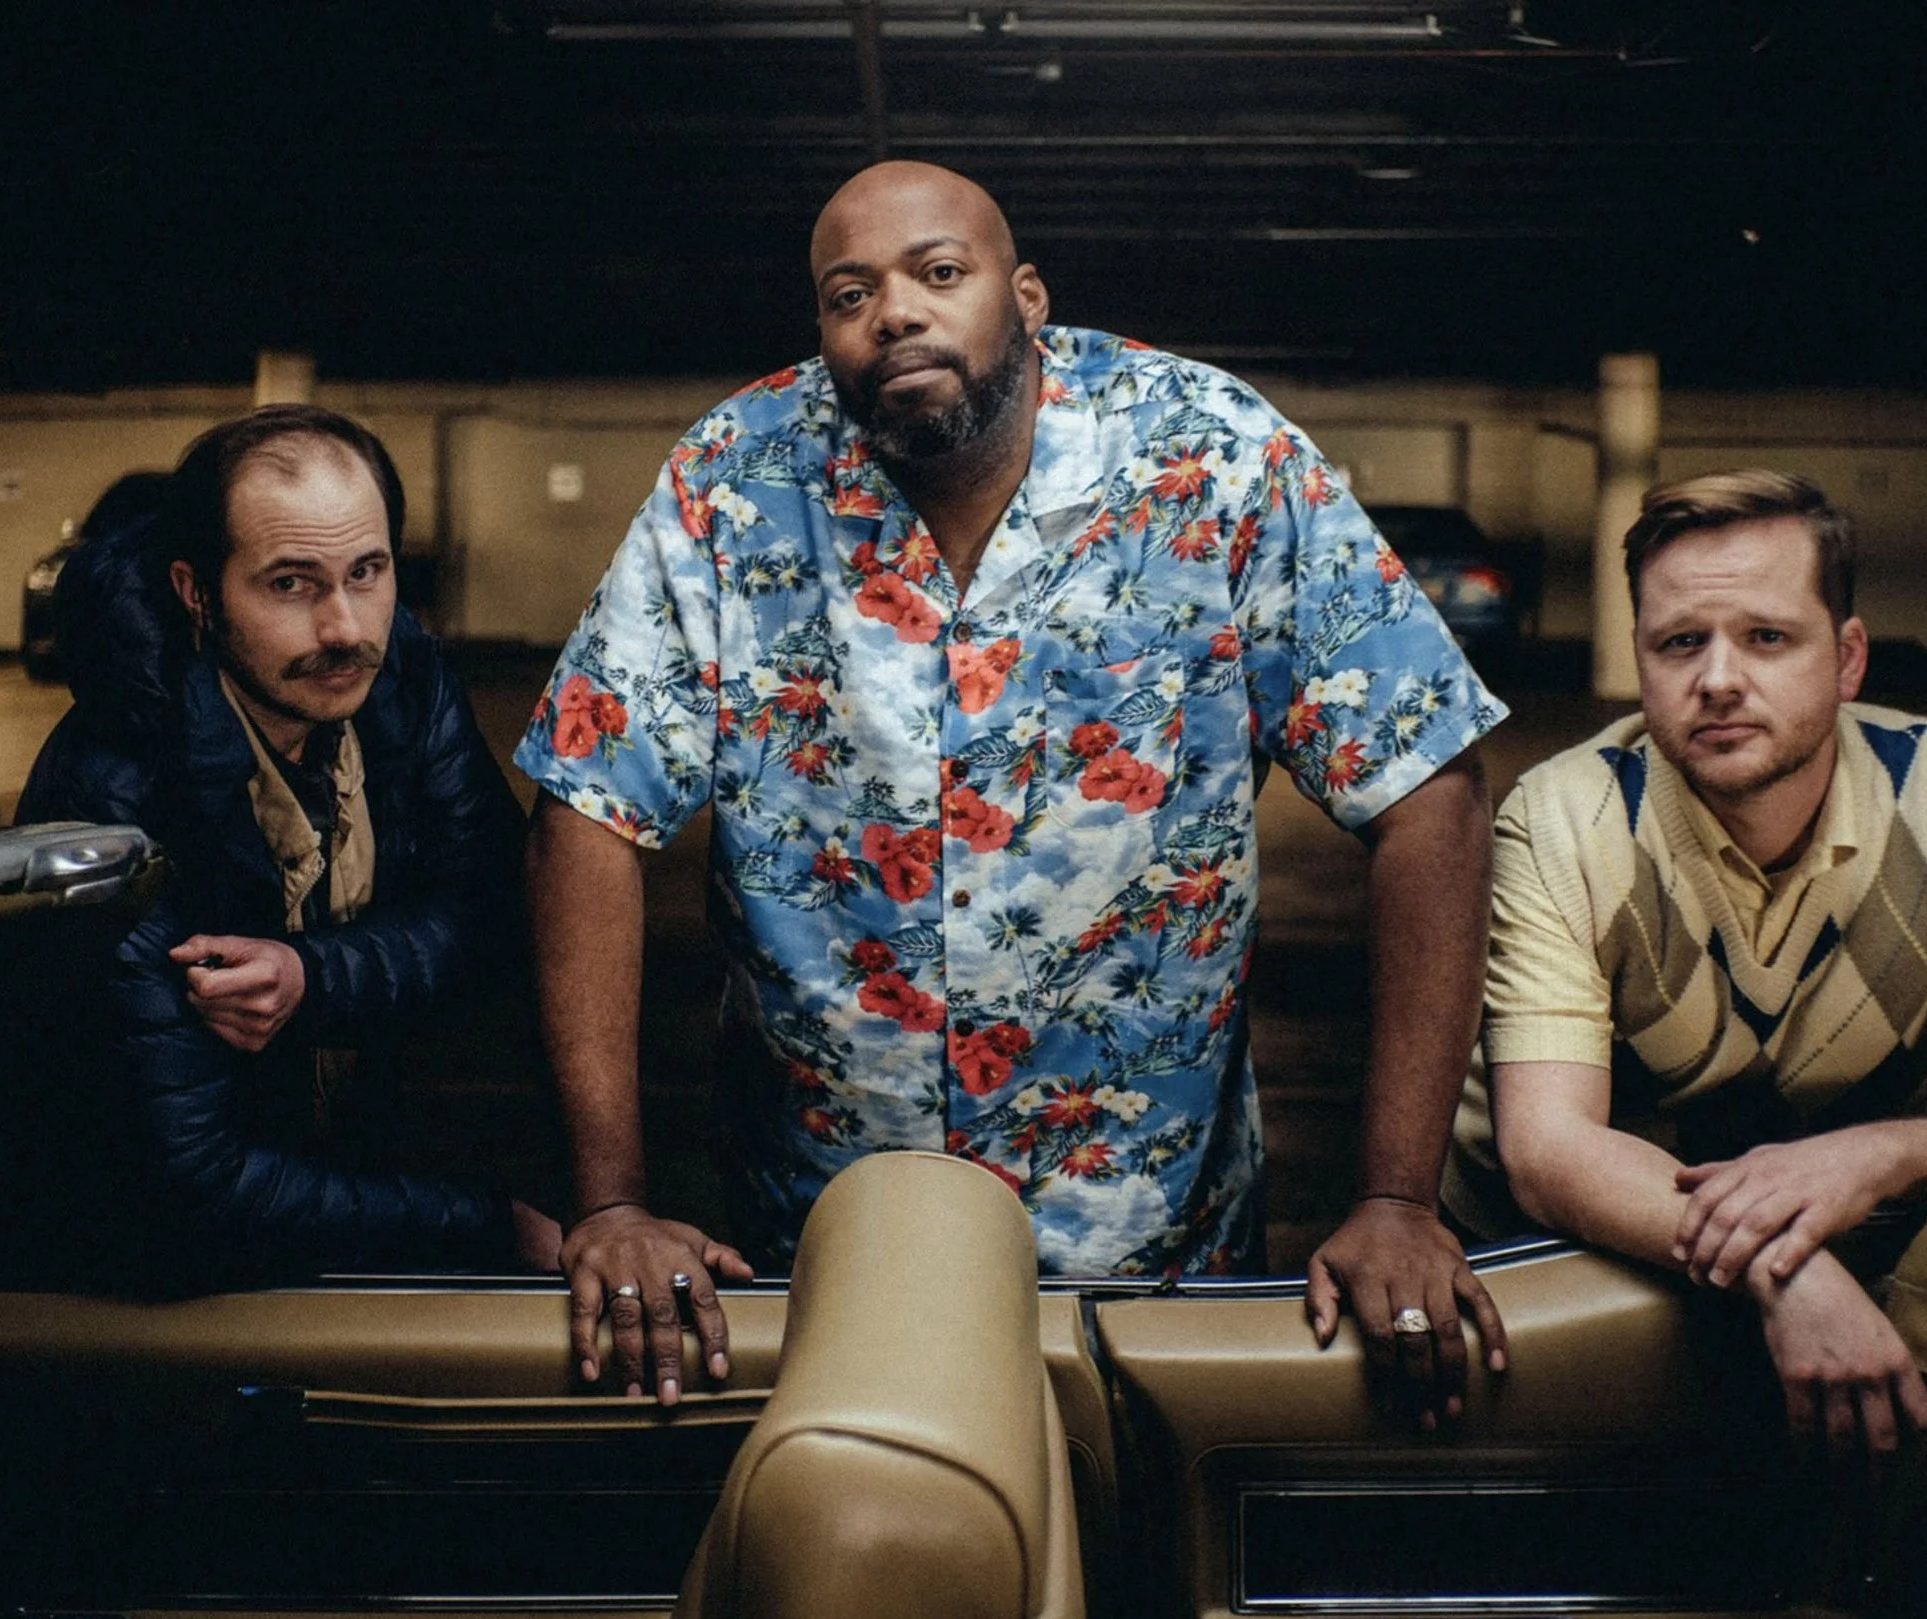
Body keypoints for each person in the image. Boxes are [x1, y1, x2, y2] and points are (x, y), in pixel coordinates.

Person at [516, 160, 1511, 1412]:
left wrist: (1394, 1196)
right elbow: (584, 808)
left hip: (1150, 1245)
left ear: (1026, 295)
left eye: (940, 273)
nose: (895, 312)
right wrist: (610, 1198)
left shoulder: (1210, 456)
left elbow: (1428, 782)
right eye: (848, 292)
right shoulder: (732, 483)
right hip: (822, 1237)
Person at [1444, 469, 1927, 1484]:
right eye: (1680, 641)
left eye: (1766, 637)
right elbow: (1549, 1150)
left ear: (1846, 658)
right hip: (1541, 1257)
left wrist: (1878, 1153)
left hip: (1817, 1229)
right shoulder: (1562, 816)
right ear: (1641, 657)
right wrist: (1784, 1267)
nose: (1717, 677)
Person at [0, 405, 564, 1291]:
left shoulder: (403, 680)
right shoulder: (114, 783)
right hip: (104, 1267)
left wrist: (311, 976)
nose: (345, 628)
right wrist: (489, 1226)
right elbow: (185, 1179)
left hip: (314, 1186)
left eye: (368, 572)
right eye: (291, 584)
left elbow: (498, 915)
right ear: (196, 591)